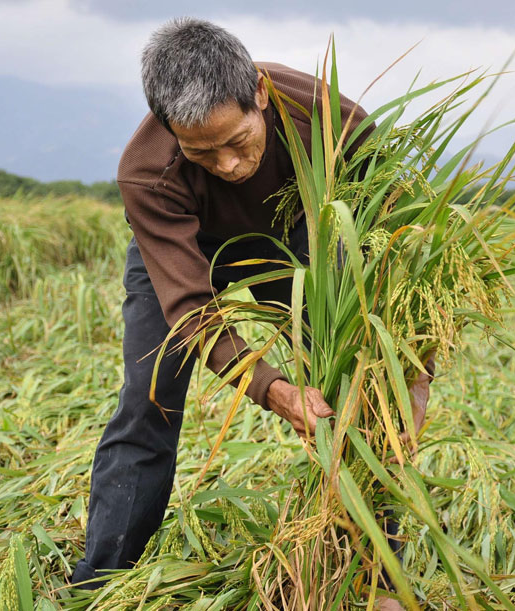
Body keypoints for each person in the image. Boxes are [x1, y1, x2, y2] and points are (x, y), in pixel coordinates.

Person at [69, 17, 431, 608]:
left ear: (259, 94)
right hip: (185, 250)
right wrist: (272, 388)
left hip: (295, 236)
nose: (229, 166)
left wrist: (411, 368)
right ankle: (101, 582)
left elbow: (395, 250)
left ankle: (376, 577)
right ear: (170, 129)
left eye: (238, 141)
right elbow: (192, 310)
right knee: (148, 398)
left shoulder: (330, 119)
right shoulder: (147, 171)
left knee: (353, 385)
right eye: (201, 153)